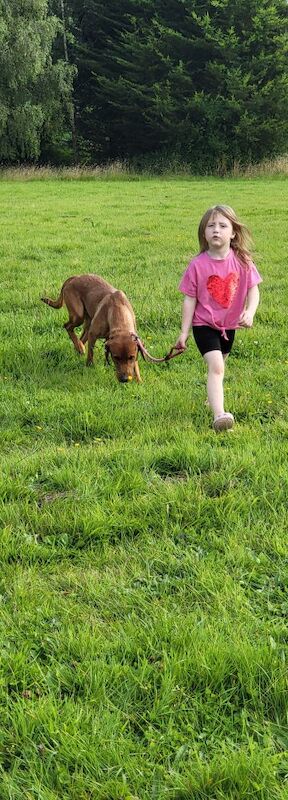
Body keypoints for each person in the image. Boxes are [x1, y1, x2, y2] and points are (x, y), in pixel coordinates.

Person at [175, 204, 262, 432]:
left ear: (233, 232)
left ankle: (212, 398)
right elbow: (189, 300)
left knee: (220, 365)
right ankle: (219, 415)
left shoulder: (243, 260)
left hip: (229, 325)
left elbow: (254, 289)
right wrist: (184, 333)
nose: (216, 230)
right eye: (210, 226)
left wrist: (250, 312)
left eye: (223, 225)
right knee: (216, 367)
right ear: (203, 233)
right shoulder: (197, 265)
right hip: (203, 324)